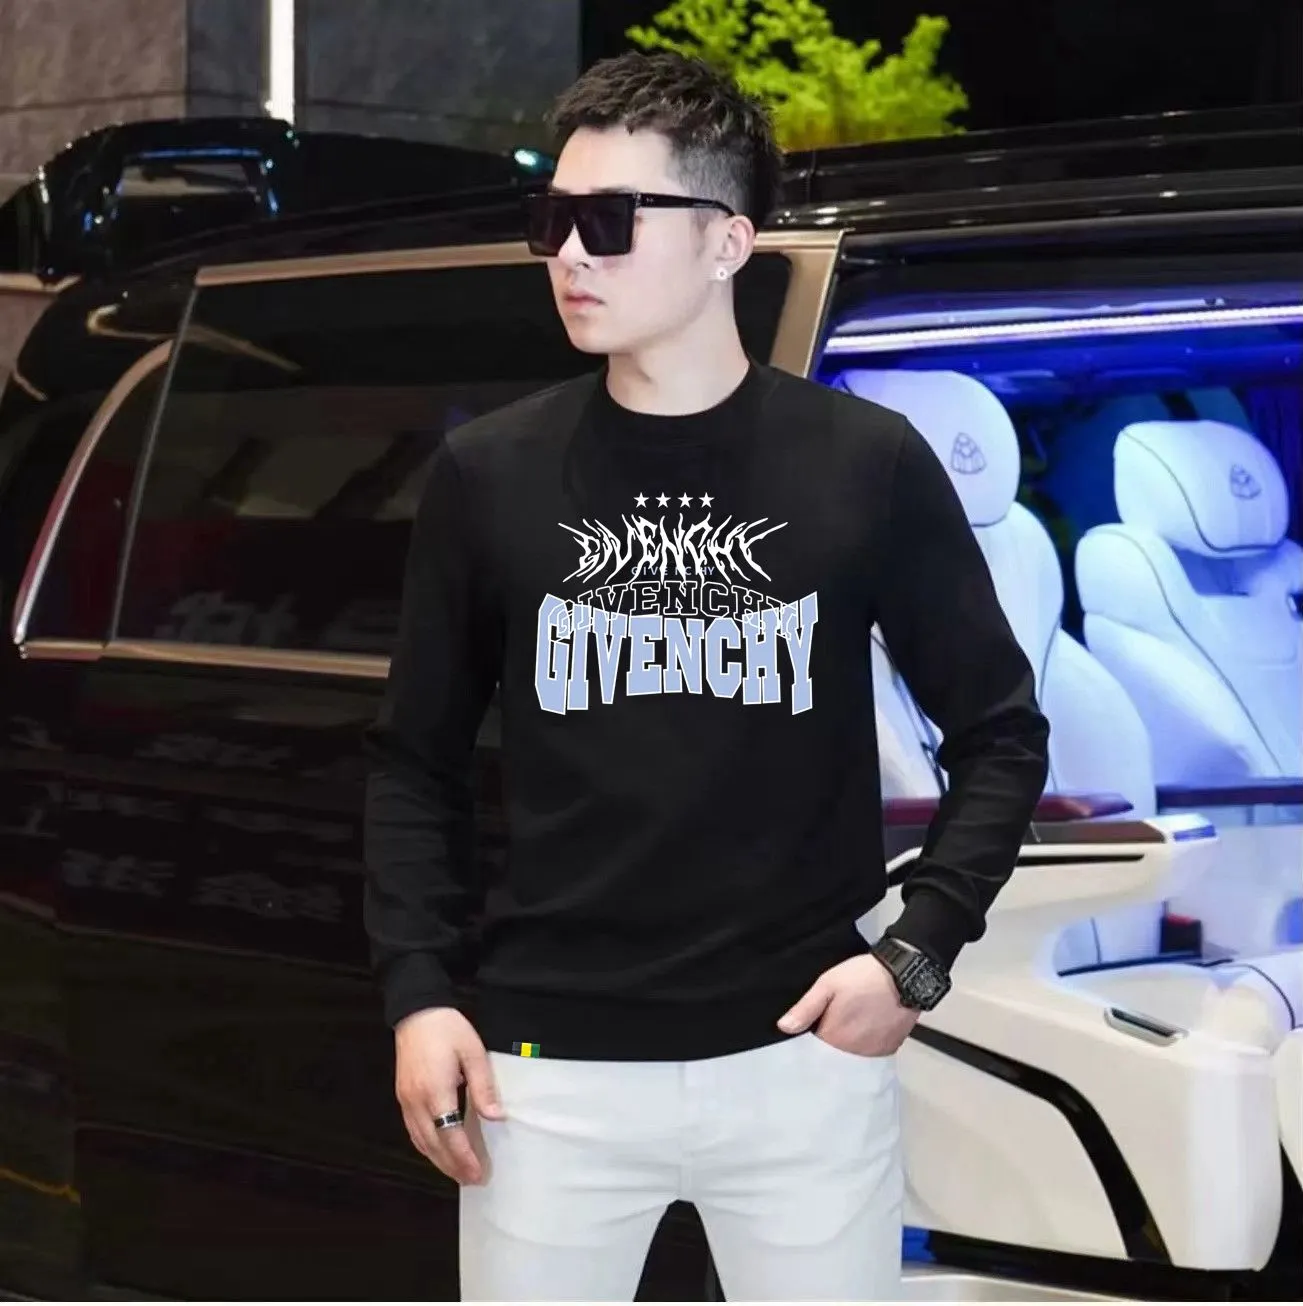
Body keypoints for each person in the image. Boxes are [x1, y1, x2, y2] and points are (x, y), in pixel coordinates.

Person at [363, 49, 1051, 1303]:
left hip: (801, 1062)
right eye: (552, 220)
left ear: (729, 242)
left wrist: (914, 955)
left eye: (610, 221)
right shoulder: (491, 474)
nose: (569, 255)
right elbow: (415, 760)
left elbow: (999, 733)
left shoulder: (865, 464)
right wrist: (418, 994)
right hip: (545, 1075)